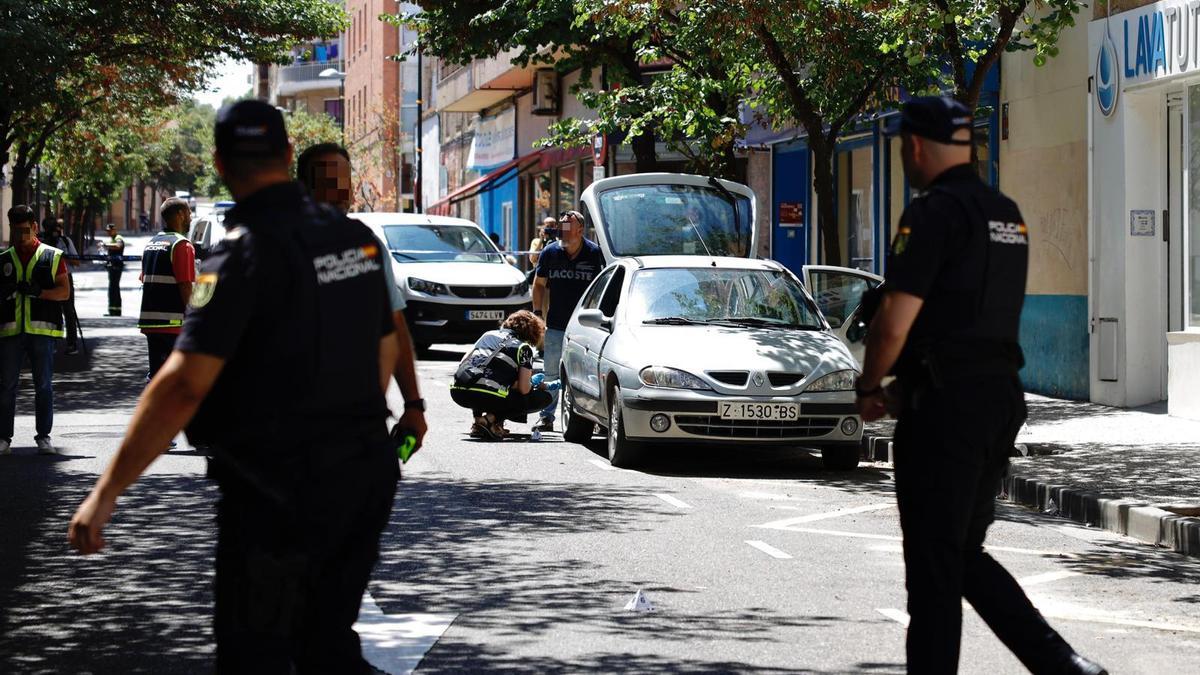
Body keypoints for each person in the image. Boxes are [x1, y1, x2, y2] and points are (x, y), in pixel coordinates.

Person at [68, 100, 402, 673]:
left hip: (278, 490)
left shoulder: (235, 256)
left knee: (257, 652)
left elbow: (182, 386)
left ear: (221, 164)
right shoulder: (357, 242)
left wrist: (107, 490)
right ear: (289, 156)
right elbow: (386, 346)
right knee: (327, 641)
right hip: (363, 475)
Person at [854, 97, 1106, 675]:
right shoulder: (1007, 213)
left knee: (934, 576)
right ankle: (1064, 666)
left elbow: (895, 319)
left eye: (902, 147)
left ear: (914, 147)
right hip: (998, 402)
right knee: (962, 554)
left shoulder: (932, 213)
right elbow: (968, 323)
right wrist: (909, 384)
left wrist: (871, 385)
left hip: (946, 413)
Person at [296, 141, 427, 449]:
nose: (340, 191)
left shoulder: (365, 246)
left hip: (356, 424)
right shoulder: (272, 245)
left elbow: (395, 326)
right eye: (329, 182)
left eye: (345, 182)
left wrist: (413, 405)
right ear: (304, 187)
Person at [0, 205, 71, 456]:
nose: (21, 237)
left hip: (42, 331)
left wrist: (40, 292)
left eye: (25, 231)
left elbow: (64, 292)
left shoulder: (52, 256)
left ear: (34, 227)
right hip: (10, 331)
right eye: (16, 231)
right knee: (7, 386)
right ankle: (4, 438)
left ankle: (43, 437)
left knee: (43, 385)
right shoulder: (4, 258)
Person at [530, 209, 603, 432]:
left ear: (580, 230)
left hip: (586, 328)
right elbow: (539, 284)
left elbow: (602, 288)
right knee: (551, 372)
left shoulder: (593, 253)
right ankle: (547, 416)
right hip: (557, 324)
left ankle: (594, 417)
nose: (562, 230)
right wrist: (537, 314)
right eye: (561, 225)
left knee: (588, 373)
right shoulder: (550, 252)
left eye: (568, 226)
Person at [451, 310, 553, 440]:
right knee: (541, 397)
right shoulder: (523, 348)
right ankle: (487, 420)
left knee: (483, 383)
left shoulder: (488, 335)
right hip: (486, 394)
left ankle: (478, 421)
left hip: (459, 391)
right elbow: (524, 389)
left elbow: (464, 361)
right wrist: (533, 384)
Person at [138, 196, 195, 384]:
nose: (191, 217)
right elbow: (185, 285)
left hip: (151, 322)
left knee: (157, 376)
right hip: (173, 323)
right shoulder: (181, 245)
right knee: (173, 381)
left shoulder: (151, 243)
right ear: (179, 215)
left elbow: (143, 278)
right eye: (188, 212)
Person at [42, 218, 81, 355]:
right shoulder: (41, 242)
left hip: (65, 278)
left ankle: (72, 343)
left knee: (69, 311)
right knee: (50, 311)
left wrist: (63, 257)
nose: (55, 231)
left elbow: (77, 261)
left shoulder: (65, 241)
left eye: (57, 227)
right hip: (47, 279)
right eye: (51, 228)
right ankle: (51, 341)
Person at [101, 223, 126, 316]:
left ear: (114, 230)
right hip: (112, 266)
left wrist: (106, 245)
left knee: (114, 288)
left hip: (116, 266)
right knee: (113, 288)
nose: (108, 232)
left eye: (110, 230)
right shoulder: (112, 239)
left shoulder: (118, 238)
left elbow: (118, 246)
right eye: (107, 231)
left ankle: (115, 310)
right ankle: (113, 310)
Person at [525, 217, 557, 284]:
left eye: (552, 226)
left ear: (556, 227)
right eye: (547, 227)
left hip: (555, 275)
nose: (550, 229)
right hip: (540, 275)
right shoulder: (536, 241)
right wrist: (541, 240)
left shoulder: (559, 241)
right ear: (543, 228)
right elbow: (532, 259)